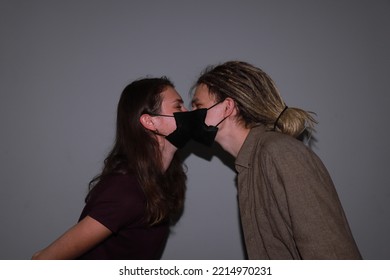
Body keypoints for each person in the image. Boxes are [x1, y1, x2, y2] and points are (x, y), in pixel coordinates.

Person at [190, 61, 362, 259]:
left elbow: (331, 253)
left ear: (228, 107)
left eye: (198, 105)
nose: (190, 113)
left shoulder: (279, 153)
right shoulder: (250, 164)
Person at [32, 77, 188, 259]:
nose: (188, 112)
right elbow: (42, 261)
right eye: (178, 106)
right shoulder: (124, 189)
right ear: (150, 122)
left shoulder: (162, 179)